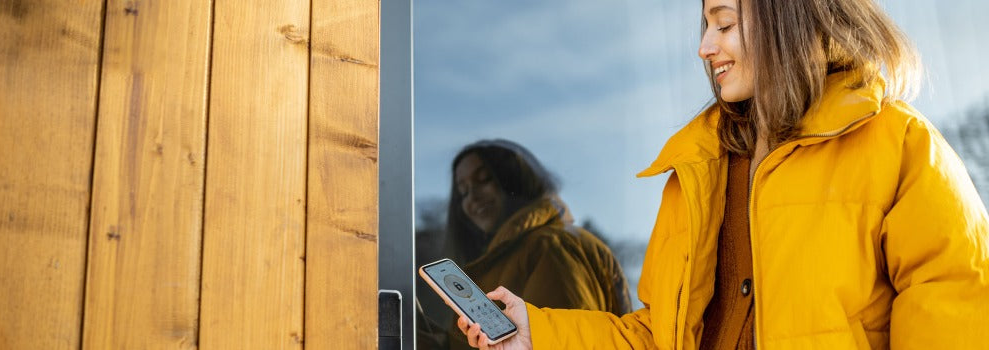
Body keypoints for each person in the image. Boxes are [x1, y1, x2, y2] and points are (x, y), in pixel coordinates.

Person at [456, 0, 989, 349]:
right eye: (706, 26)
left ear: (789, 17)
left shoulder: (899, 145)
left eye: (725, 23)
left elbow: (954, 312)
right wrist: (537, 332)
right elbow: (658, 336)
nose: (705, 47)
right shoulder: (697, 169)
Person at [419, 139, 632, 349]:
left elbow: (562, 342)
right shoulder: (502, 257)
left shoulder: (552, 246)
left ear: (514, 180)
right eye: (463, 191)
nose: (472, 197)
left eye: (484, 179)